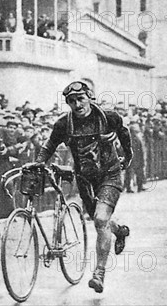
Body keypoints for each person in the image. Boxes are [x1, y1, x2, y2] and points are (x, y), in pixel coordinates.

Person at [34, 81, 132, 293]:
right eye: (71, 101)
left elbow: (125, 135)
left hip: (110, 175)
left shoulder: (108, 117)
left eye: (80, 99)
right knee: (101, 222)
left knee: (100, 219)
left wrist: (128, 157)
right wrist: (39, 161)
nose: (77, 104)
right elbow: (50, 144)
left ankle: (99, 273)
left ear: (90, 97)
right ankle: (119, 231)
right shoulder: (63, 124)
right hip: (85, 179)